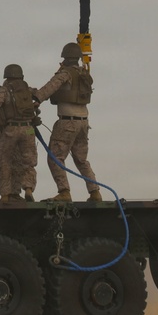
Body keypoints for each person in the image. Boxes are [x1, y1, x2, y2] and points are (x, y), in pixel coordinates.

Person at [34, 42, 102, 202]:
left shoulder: (65, 74)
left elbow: (48, 89)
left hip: (67, 122)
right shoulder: (84, 74)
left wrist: (35, 99)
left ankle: (64, 192)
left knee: (55, 157)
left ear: (64, 58)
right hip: (84, 123)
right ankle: (95, 192)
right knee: (81, 159)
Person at [0, 64, 38, 203]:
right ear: (21, 76)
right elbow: (42, 95)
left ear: (6, 77)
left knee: (5, 161)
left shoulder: (4, 91)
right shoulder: (28, 91)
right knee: (27, 162)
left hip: (10, 130)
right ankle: (28, 188)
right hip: (28, 130)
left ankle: (5, 195)